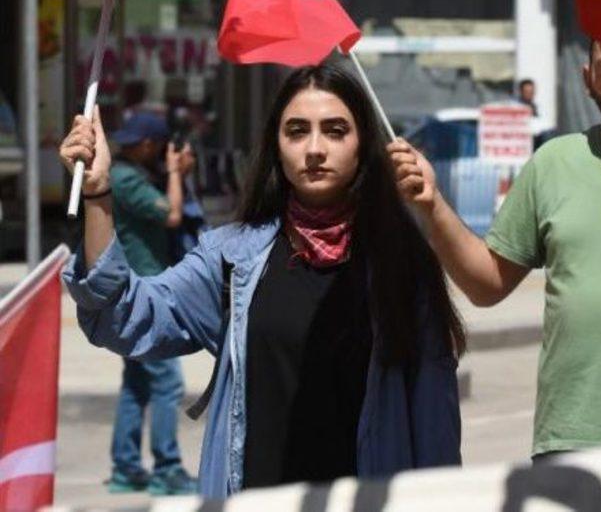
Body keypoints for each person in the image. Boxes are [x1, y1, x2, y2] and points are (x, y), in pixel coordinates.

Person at [60, 63, 464, 499]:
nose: (314, 149)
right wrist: (98, 194)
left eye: (334, 130)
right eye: (296, 131)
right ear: (276, 144)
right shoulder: (233, 257)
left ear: (363, 143)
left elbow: (435, 431)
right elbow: (122, 315)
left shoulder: (401, 265)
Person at [394, 40, 601, 459]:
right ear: (586, 80)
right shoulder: (555, 163)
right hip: (575, 441)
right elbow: (487, 283)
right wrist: (433, 206)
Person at [64, 110, 198, 495]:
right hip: (143, 288)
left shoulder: (129, 176)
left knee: (137, 384)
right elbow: (172, 215)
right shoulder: (124, 179)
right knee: (168, 382)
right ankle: (167, 469)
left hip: (136, 286)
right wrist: (175, 174)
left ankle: (126, 467)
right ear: (151, 147)